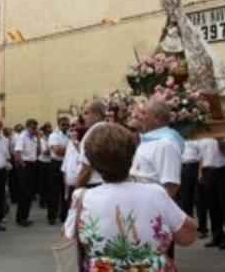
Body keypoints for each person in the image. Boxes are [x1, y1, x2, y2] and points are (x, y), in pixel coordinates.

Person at [64, 122, 196, 271]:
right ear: (132, 153)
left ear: (93, 162)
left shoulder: (82, 197)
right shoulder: (155, 193)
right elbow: (187, 236)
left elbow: (68, 240)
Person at [131, 100, 184, 198]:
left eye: (144, 113)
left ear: (156, 118)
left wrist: (157, 210)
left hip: (152, 208)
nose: (140, 117)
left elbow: (171, 187)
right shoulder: (149, 140)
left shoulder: (166, 144)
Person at [199, 135, 225, 249]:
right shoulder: (204, 136)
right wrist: (201, 172)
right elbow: (202, 155)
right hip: (210, 171)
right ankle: (217, 236)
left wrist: (219, 139)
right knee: (213, 206)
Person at [14, 118, 40, 227]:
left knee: (30, 193)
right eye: (33, 128)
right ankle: (20, 218)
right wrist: (23, 165)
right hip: (25, 165)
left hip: (33, 164)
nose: (35, 130)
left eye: (35, 128)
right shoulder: (22, 137)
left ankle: (25, 216)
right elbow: (17, 152)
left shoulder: (34, 138)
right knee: (25, 192)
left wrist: (38, 140)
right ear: (28, 126)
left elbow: (38, 152)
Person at [76, 100, 107, 188]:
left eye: (86, 113)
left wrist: (77, 188)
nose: (83, 117)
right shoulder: (108, 130)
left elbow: (87, 167)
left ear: (97, 115)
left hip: (92, 183)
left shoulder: (95, 132)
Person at [47, 115, 69, 225]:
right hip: (56, 164)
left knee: (65, 191)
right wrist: (68, 150)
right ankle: (52, 216)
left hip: (66, 164)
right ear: (59, 124)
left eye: (67, 124)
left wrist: (64, 149)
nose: (65, 126)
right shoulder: (54, 135)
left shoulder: (69, 135)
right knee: (54, 191)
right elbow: (56, 150)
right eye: (63, 124)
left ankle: (64, 216)